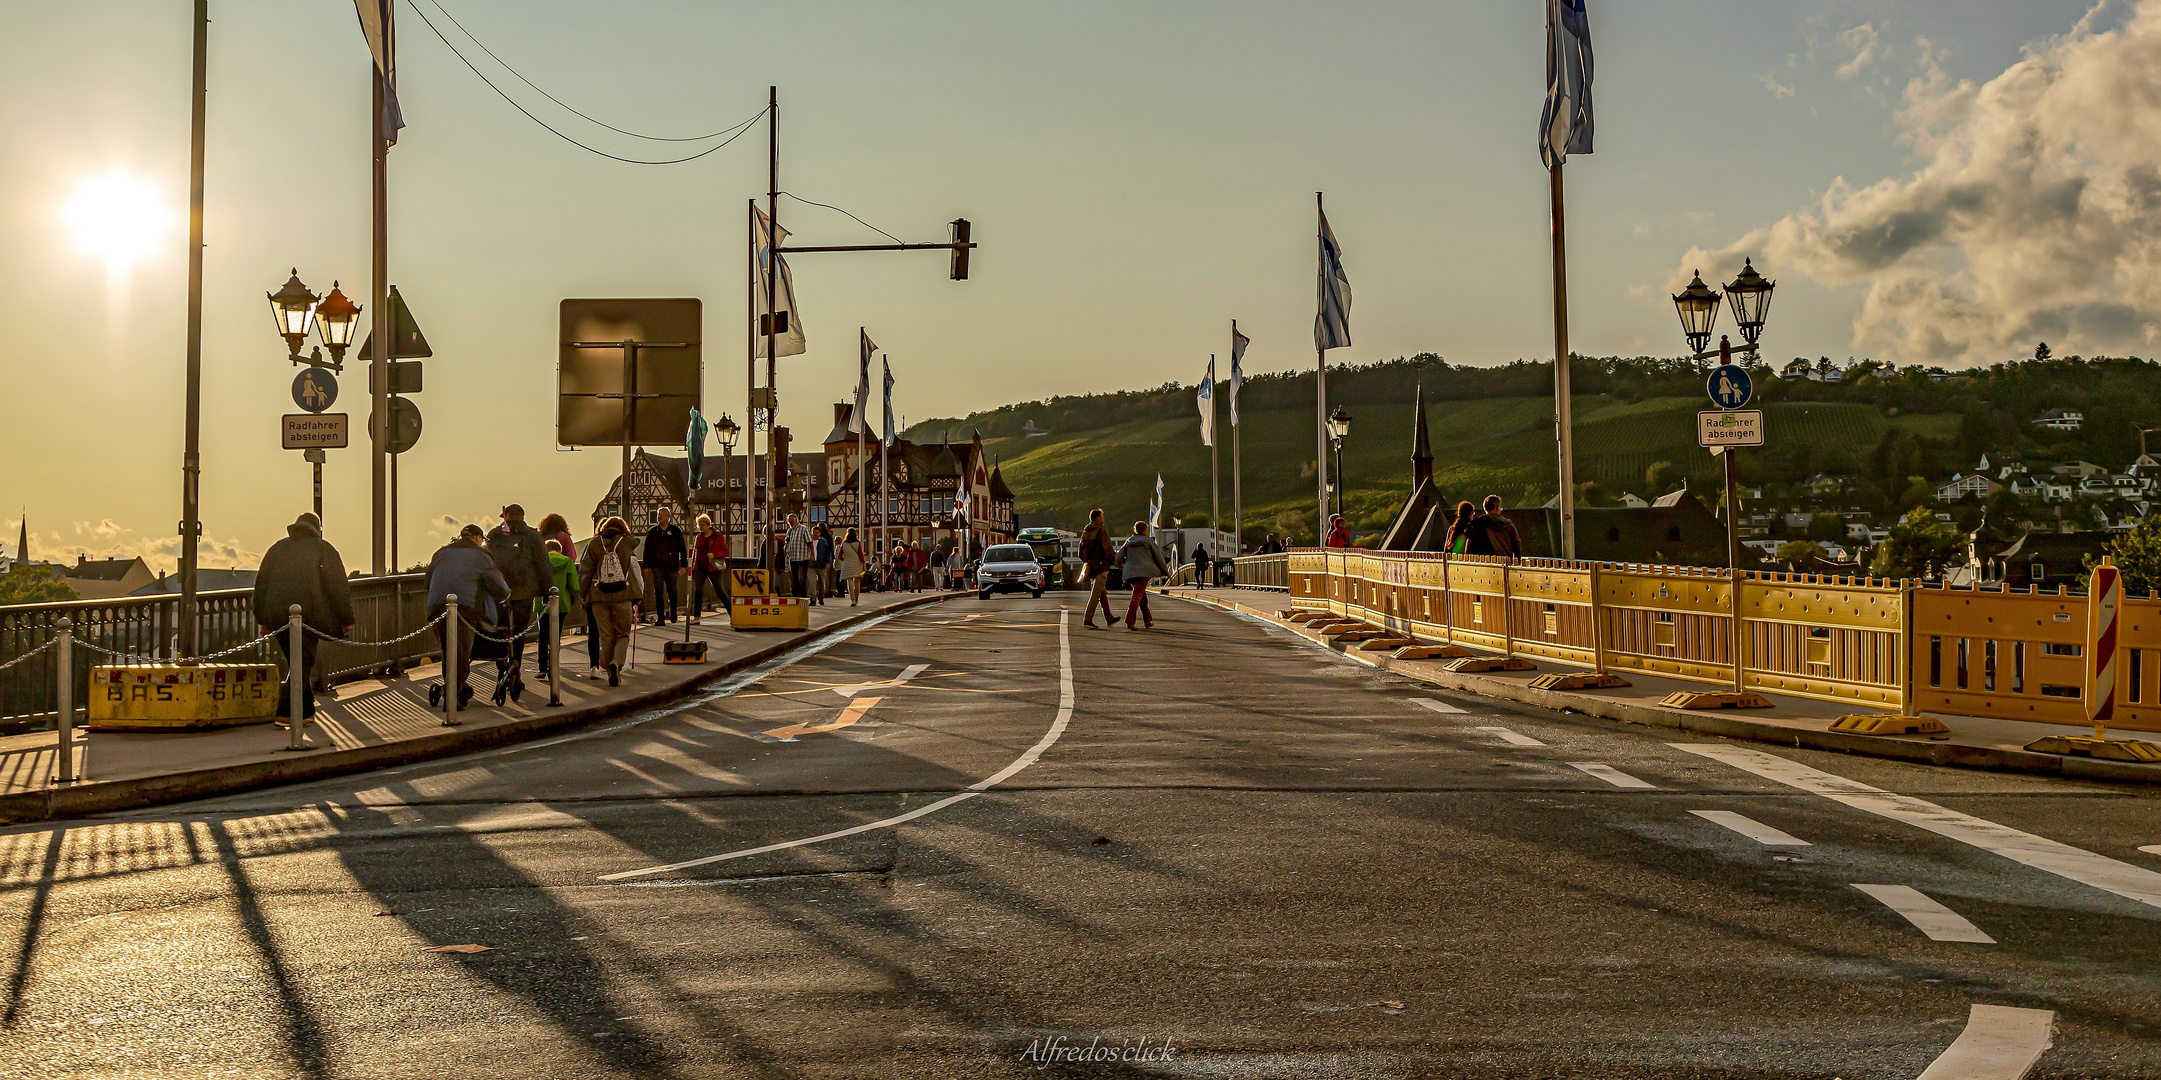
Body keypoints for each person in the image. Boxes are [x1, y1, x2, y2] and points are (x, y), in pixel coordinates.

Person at [251, 512, 354, 722]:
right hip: (309, 614)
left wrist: (262, 619)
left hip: (276, 614)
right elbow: (337, 587)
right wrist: (346, 618)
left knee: (297, 662)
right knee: (303, 662)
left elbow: (260, 585)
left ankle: (306, 712)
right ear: (318, 529)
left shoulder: (277, 548)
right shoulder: (323, 549)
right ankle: (285, 712)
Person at [427, 525, 511, 709]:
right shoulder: (481, 555)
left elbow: (429, 579)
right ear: (477, 538)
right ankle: (453, 697)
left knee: (449, 651)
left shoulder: (441, 553)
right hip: (464, 607)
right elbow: (496, 584)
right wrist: (505, 593)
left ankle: (457, 687)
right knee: (461, 652)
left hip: (437, 606)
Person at [488, 504, 554, 677]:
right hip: (525, 589)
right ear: (523, 517)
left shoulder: (494, 535)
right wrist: (548, 593)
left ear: (506, 516)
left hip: (499, 590)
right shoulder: (533, 536)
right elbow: (543, 565)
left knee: (501, 630)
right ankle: (515, 669)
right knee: (519, 632)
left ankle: (502, 669)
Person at [580, 515, 644, 687]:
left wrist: (582, 594)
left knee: (606, 635)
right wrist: (623, 532)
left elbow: (585, 571)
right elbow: (634, 539)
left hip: (599, 596)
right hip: (622, 595)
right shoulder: (625, 542)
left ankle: (609, 670)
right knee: (622, 634)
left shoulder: (594, 544)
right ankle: (616, 663)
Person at [539, 538, 580, 679]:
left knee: (543, 634)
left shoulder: (540, 562)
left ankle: (542, 668)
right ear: (560, 549)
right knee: (556, 635)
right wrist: (574, 600)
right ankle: (553, 665)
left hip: (542, 602)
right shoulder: (567, 562)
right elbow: (574, 584)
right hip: (561, 603)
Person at [1118, 520, 1171, 630]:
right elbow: (1159, 558)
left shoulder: (1129, 541)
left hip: (1130, 572)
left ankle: (1148, 620)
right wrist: (1166, 572)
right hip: (1144, 571)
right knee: (1137, 595)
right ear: (1145, 530)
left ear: (1135, 530)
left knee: (1142, 596)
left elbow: (1118, 556)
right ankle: (1129, 619)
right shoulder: (1149, 541)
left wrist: (1121, 566)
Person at [641, 508, 686, 624]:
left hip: (672, 566)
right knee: (658, 591)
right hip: (657, 566)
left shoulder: (675, 531)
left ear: (668, 517)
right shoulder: (653, 532)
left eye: (662, 515)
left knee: (672, 591)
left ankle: (673, 613)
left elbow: (682, 549)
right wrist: (646, 566)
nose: (659, 517)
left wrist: (683, 565)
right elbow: (647, 550)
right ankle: (660, 617)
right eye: (658, 514)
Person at [1080, 509, 1117, 628]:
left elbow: (1080, 552)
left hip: (1091, 566)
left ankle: (1109, 617)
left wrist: (1087, 561)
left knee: (1101, 592)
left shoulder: (1085, 532)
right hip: (1101, 566)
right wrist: (1115, 561)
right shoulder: (1101, 531)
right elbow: (1108, 549)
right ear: (1097, 518)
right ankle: (1088, 619)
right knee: (1096, 593)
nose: (1103, 518)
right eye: (1102, 516)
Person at [690, 514, 729, 622]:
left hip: (713, 567)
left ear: (708, 525)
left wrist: (714, 555)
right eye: (699, 525)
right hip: (700, 567)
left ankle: (733, 614)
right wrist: (693, 567)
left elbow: (725, 551)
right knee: (698, 591)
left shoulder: (717, 536)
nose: (700, 527)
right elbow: (695, 552)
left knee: (719, 590)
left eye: (702, 525)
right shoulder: (698, 537)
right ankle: (696, 617)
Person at [1465, 495, 1523, 560]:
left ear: (1485, 508)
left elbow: (1470, 547)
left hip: (1485, 564)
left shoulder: (1478, 524)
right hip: (1506, 563)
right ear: (1497, 507)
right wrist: (1517, 561)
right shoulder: (1508, 525)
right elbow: (1517, 544)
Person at [784, 514, 814, 598]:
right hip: (792, 558)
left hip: (802, 558)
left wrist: (812, 554)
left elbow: (810, 543)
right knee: (794, 580)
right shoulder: (790, 531)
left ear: (796, 520)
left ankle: (802, 597)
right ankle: (796, 597)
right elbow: (788, 543)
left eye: (791, 521)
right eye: (788, 522)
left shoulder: (803, 529)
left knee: (801, 579)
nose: (790, 523)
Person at [836, 528, 867, 605]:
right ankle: (856, 599)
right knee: (857, 582)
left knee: (849, 583)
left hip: (847, 564)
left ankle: (852, 599)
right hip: (857, 564)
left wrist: (845, 559)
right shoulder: (858, 543)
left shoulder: (844, 543)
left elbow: (839, 556)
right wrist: (864, 565)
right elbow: (861, 555)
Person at [811, 524, 833, 606]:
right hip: (811, 565)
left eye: (817, 532)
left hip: (821, 564)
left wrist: (828, 562)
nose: (815, 534)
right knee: (812, 583)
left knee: (821, 583)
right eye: (813, 532)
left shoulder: (823, 541)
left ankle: (821, 598)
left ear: (819, 533)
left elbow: (828, 552)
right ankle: (813, 599)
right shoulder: (809, 541)